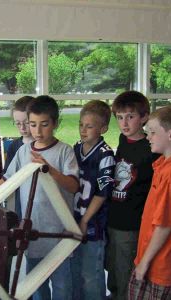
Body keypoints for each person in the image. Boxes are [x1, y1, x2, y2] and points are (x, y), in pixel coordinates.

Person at [0, 95, 79, 300]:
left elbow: (73, 186)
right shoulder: (24, 151)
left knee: (62, 288)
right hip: (32, 234)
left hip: (59, 234)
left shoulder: (65, 151)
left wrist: (49, 170)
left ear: (55, 123)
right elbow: (7, 178)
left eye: (44, 125)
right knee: (36, 288)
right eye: (33, 125)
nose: (38, 131)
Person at [128, 106, 171, 300]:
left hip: (159, 262)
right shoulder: (168, 164)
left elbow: (164, 226)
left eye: (153, 132)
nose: (148, 137)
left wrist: (143, 264)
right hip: (158, 257)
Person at [106, 91, 159, 300]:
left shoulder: (151, 148)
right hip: (113, 214)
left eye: (130, 116)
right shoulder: (123, 139)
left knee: (125, 268)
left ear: (144, 117)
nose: (124, 123)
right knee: (111, 264)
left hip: (132, 221)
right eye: (120, 117)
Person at [71, 100, 115, 300]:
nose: (83, 130)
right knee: (75, 271)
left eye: (89, 126)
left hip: (93, 223)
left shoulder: (105, 155)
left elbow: (101, 194)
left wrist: (85, 220)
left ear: (103, 128)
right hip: (74, 216)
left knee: (91, 274)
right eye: (81, 124)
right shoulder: (76, 148)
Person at [3, 95, 34, 219]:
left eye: (26, 123)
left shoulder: (45, 145)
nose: (22, 128)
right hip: (21, 201)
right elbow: (7, 177)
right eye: (17, 123)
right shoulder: (14, 147)